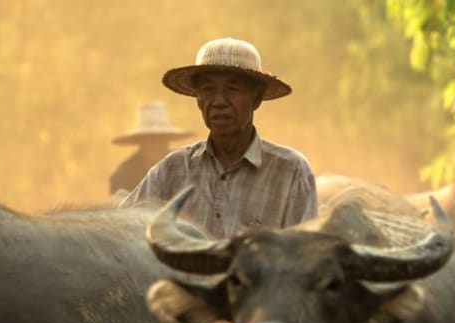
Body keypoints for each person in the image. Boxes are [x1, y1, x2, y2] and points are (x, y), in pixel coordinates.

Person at [121, 37, 317, 238]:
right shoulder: (172, 170)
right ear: (198, 98)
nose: (219, 102)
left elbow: (306, 254)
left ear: (256, 99)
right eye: (208, 90)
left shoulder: (290, 170)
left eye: (232, 89)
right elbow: (121, 230)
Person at [109, 102, 194, 197]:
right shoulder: (123, 175)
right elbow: (122, 207)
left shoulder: (185, 166)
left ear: (168, 140)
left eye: (162, 139)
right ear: (141, 142)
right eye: (151, 140)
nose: (157, 145)